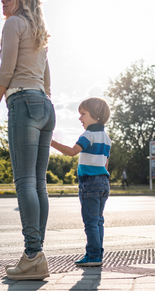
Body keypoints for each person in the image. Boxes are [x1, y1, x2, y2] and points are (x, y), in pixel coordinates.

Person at [0, 0, 54, 281]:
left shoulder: (14, 24)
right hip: (44, 106)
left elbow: (6, 70)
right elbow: (47, 79)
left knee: (25, 182)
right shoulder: (39, 30)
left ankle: (33, 256)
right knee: (38, 183)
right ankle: (35, 254)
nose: (2, 0)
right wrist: (41, 100)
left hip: (23, 102)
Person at [51, 97, 111, 267]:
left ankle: (93, 256)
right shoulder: (106, 138)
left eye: (83, 114)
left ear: (95, 115)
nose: (80, 118)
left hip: (89, 183)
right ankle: (97, 254)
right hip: (103, 182)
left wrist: (50, 141)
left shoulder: (88, 135)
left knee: (90, 221)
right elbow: (106, 163)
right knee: (98, 220)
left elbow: (71, 152)